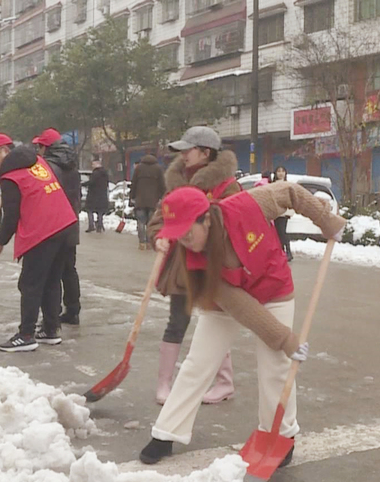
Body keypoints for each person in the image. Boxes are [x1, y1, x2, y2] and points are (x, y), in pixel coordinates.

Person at [139, 182, 346, 464]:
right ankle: (166, 433)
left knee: (276, 366)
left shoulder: (248, 205)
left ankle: (280, 436)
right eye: (179, 237)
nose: (185, 242)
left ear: (207, 218)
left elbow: (291, 193)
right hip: (225, 298)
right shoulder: (195, 262)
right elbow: (240, 306)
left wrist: (326, 220)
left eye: (188, 234)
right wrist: (285, 338)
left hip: (273, 286)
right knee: (199, 362)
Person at [148, 126, 242, 405]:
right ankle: (164, 384)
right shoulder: (178, 182)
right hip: (182, 266)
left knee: (215, 322)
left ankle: (224, 383)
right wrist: (159, 238)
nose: (183, 156)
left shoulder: (228, 186)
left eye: (188, 150)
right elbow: (158, 219)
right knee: (177, 320)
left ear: (205, 152)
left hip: (213, 266)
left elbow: (235, 226)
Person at [0, 133, 78, 352]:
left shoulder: (12, 175)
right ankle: (51, 329)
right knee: (52, 280)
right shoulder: (36, 161)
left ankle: (26, 334)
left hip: (43, 229)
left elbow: (11, 217)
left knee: (30, 283)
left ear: (4, 151)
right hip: (64, 223)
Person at [33, 128, 84, 326]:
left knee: (51, 272)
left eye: (40, 146)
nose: (38, 150)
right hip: (71, 223)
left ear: (47, 147)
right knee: (68, 269)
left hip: (53, 224)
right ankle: (73, 309)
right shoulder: (72, 165)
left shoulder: (48, 167)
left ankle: (51, 316)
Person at [129, 153, 166, 250]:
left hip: (140, 201)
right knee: (150, 223)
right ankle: (149, 243)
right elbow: (162, 184)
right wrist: (163, 197)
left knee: (141, 222)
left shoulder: (139, 168)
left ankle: (142, 243)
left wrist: (132, 197)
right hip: (153, 201)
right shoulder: (158, 169)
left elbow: (134, 184)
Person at [271, 166, 294, 261]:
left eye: (282, 171)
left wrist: (290, 212)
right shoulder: (272, 185)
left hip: (284, 213)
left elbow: (291, 199)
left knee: (282, 232)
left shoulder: (288, 185)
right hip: (275, 212)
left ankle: (288, 252)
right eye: (278, 171)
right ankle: (281, 252)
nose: (281, 173)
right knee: (276, 233)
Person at [86, 159, 109, 233]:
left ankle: (91, 226)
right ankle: (99, 226)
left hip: (93, 195)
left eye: (93, 164)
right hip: (102, 195)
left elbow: (91, 183)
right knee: (100, 211)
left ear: (97, 164)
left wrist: (84, 184)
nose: (92, 166)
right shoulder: (105, 173)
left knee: (89, 210)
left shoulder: (95, 173)